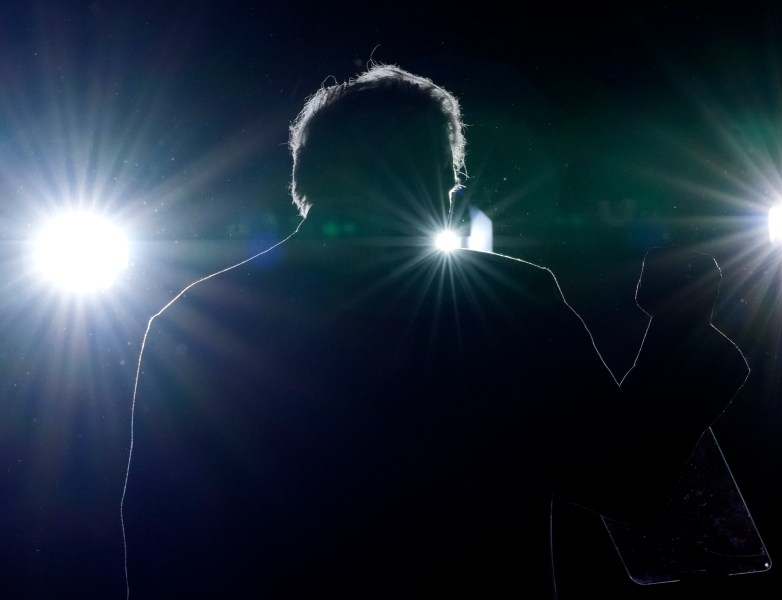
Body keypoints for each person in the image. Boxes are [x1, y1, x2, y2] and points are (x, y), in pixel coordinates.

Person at [125, 63, 744, 599]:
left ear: (309, 183)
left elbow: (159, 537)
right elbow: (620, 478)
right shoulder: (510, 302)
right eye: (438, 175)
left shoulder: (201, 318)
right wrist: (681, 330)